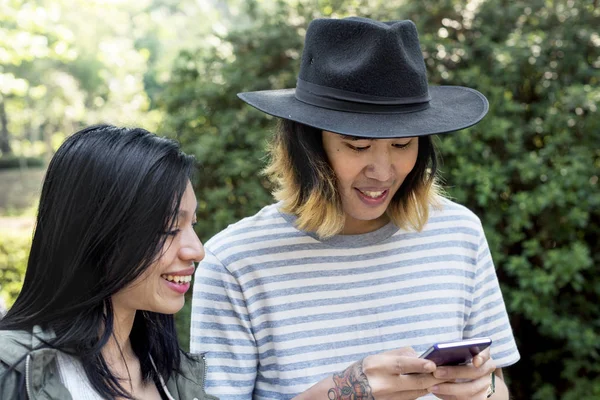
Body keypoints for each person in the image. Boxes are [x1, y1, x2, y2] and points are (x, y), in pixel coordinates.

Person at [190, 17, 520, 400]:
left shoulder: (459, 233)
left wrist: (486, 389)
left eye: (402, 145)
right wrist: (346, 391)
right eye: (358, 146)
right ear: (308, 148)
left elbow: (496, 386)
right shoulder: (235, 262)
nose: (382, 172)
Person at [0, 125, 217, 400]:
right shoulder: (13, 373)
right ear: (95, 232)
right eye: (170, 228)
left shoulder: (171, 374)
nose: (197, 250)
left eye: (192, 224)